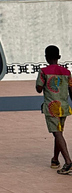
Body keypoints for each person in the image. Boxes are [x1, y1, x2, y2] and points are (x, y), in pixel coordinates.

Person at [35, 45, 72, 174]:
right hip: (64, 107)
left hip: (51, 108)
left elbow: (39, 88)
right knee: (59, 132)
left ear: (46, 57)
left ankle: (68, 162)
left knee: (57, 133)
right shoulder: (67, 72)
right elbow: (71, 90)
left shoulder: (44, 71)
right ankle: (55, 160)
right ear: (59, 57)